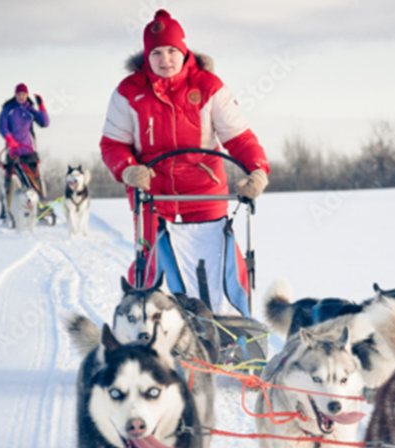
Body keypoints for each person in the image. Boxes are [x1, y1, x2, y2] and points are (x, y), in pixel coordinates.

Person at [100, 9, 270, 317]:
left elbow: (239, 138)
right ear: (146, 57)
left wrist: (257, 170)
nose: (165, 59)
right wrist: (127, 167)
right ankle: (147, 326)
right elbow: (113, 144)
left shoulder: (209, 87)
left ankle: (226, 324)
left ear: (184, 50)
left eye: (172, 51)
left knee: (217, 264)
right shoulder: (129, 92)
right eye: (157, 53)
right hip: (152, 195)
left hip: (204, 193)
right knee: (151, 263)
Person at [0, 83, 50, 221]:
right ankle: (6, 213)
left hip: (28, 150)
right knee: (10, 182)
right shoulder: (8, 110)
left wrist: (42, 107)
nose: (21, 97)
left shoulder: (30, 109)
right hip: (12, 152)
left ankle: (42, 210)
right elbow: (2, 126)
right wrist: (9, 139)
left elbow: (45, 123)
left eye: (23, 95)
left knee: (35, 181)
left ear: (27, 95)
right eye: (19, 94)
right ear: (15, 95)